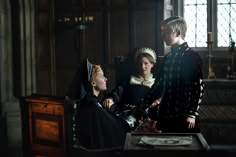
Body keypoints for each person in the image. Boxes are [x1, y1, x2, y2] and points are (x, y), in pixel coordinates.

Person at [143, 16, 204, 133]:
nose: (162, 36)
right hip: (166, 113)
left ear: (178, 33)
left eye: (166, 32)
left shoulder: (191, 56)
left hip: (184, 114)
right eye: (162, 32)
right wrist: (143, 105)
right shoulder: (168, 58)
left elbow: (198, 87)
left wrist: (191, 114)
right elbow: (159, 86)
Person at [67, 59, 130, 150]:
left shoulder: (91, 102)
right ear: (93, 83)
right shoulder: (91, 105)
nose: (106, 79)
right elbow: (113, 129)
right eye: (102, 76)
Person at [103, 48, 159, 131]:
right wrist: (111, 99)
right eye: (140, 64)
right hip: (126, 112)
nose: (142, 67)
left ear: (152, 64)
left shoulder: (156, 83)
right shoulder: (129, 79)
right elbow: (118, 91)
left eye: (146, 63)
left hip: (146, 114)